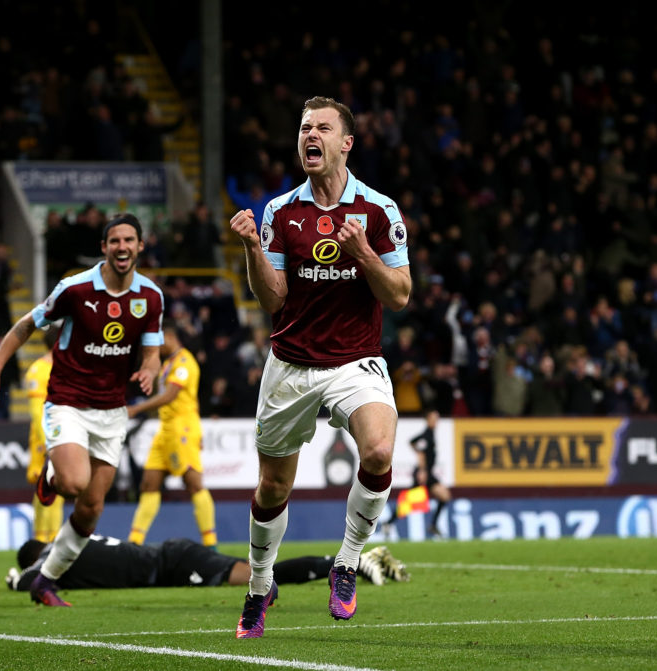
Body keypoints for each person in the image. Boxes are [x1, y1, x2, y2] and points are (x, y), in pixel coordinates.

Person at [229, 96, 411, 637]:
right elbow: (272, 299)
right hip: (290, 364)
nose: (310, 135)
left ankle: (348, 560)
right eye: (305, 127)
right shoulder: (280, 212)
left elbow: (399, 295)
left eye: (322, 128)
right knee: (272, 490)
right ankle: (260, 587)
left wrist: (364, 255)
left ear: (345, 143)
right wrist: (249, 251)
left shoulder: (379, 211)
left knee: (379, 451)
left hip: (356, 361)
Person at [0, 213, 164, 608]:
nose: (122, 247)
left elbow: (153, 350)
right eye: (114, 241)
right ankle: (53, 475)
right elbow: (26, 325)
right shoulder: (74, 289)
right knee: (74, 484)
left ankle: (45, 580)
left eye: (129, 240)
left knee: (90, 509)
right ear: (104, 248)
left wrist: (149, 367)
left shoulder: (151, 297)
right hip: (68, 402)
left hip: (112, 411)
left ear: (141, 246)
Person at [6, 536, 409, 593]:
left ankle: (349, 560)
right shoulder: (72, 540)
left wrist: (12, 580)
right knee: (258, 576)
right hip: (172, 558)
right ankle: (349, 560)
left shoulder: (51, 557)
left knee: (256, 578)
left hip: (175, 564)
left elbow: (29, 581)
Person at [127, 319, 216, 548]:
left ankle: (210, 543)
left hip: (182, 428)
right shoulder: (169, 364)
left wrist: (137, 408)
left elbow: (170, 396)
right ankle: (134, 542)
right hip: (165, 430)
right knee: (149, 483)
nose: (155, 347)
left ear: (168, 337)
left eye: (158, 342)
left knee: (193, 483)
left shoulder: (185, 362)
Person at [23, 323, 64, 542]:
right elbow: (37, 413)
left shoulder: (64, 367)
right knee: (49, 488)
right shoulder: (38, 370)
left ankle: (45, 541)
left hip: (62, 434)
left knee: (53, 488)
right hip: (46, 439)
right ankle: (46, 542)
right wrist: (50, 442)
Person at [383, 408, 452, 538]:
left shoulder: (429, 433)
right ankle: (388, 522)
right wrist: (422, 470)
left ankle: (433, 525)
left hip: (428, 473)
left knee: (444, 496)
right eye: (434, 418)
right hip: (424, 473)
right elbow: (421, 454)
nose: (436, 421)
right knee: (410, 501)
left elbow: (413, 442)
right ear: (428, 420)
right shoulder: (427, 434)